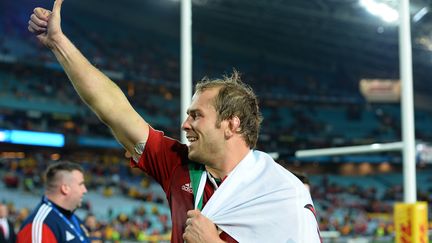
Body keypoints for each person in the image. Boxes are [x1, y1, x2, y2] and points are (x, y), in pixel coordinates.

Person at [27, 1, 321, 242]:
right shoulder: (179, 166)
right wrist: (59, 44)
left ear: (232, 124)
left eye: (196, 116)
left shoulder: (281, 192)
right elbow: (113, 110)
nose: (185, 125)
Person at [17, 161, 89, 242]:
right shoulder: (41, 224)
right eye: (81, 184)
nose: (85, 190)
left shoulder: (73, 219)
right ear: (65, 189)